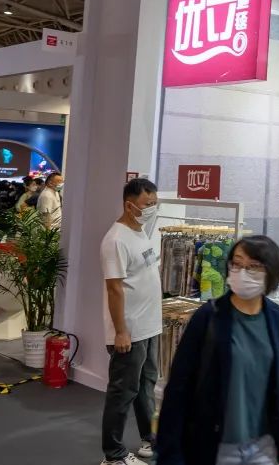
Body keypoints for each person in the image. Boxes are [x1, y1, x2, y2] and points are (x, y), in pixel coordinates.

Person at [157, 236, 279, 465]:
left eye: (253, 266)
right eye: (237, 264)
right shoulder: (208, 317)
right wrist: (169, 453)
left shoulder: (277, 317)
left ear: (270, 272)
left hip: (264, 446)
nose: (242, 272)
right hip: (218, 447)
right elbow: (179, 388)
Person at [100, 178, 161, 465]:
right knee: (122, 393)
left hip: (150, 326)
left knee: (146, 386)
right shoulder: (116, 240)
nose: (152, 209)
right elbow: (114, 289)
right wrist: (121, 331)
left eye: (154, 203)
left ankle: (150, 439)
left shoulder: (140, 232)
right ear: (129, 205)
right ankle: (113, 456)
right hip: (130, 331)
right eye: (147, 204)